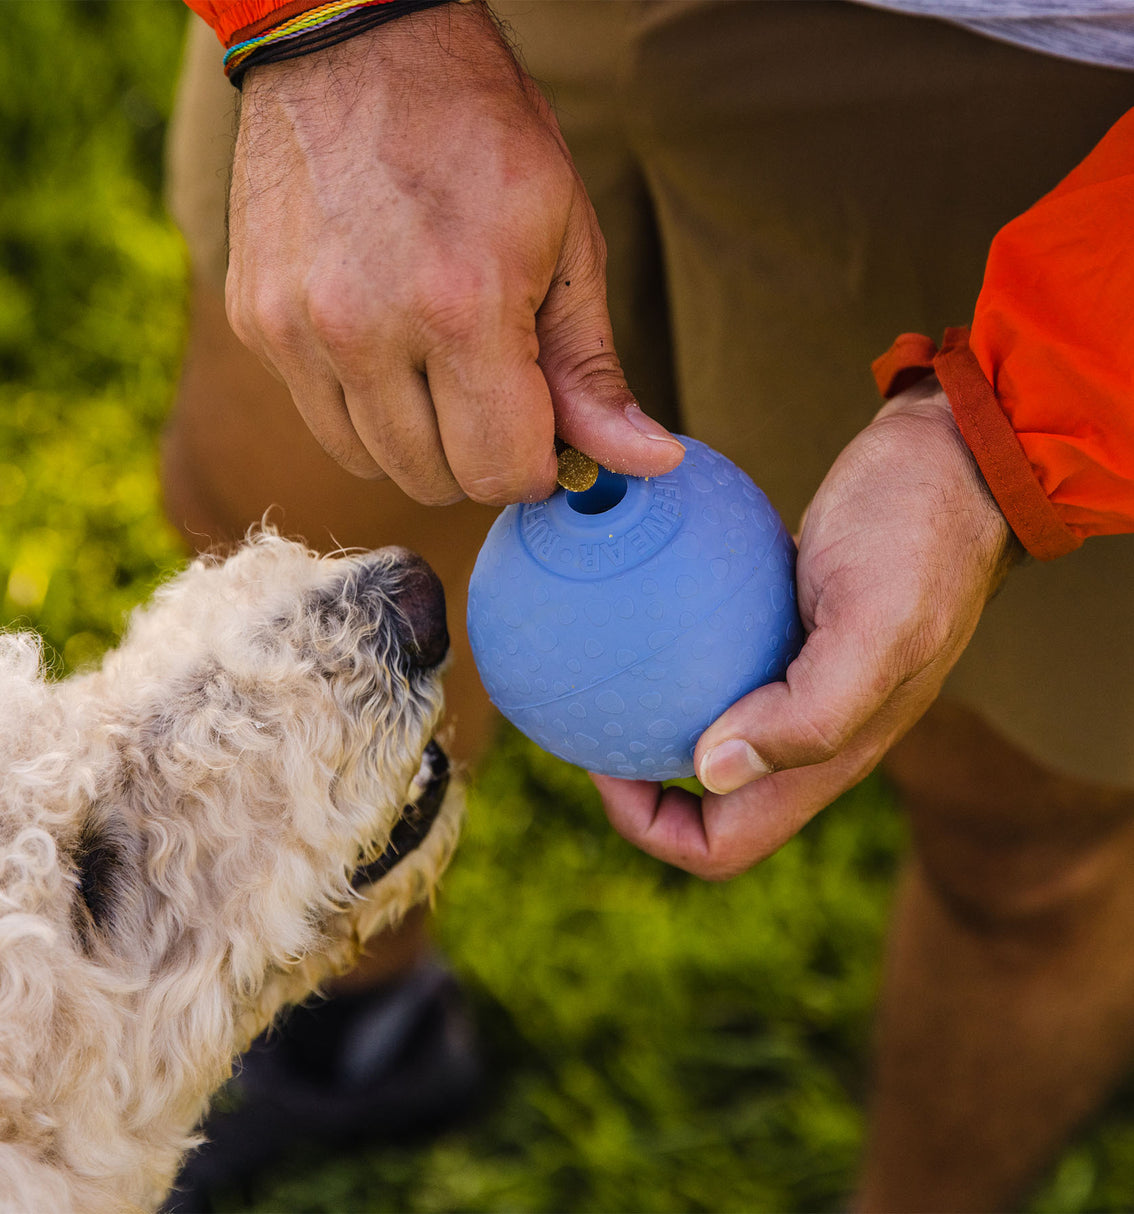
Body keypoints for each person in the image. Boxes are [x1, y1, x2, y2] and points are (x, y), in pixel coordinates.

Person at [162, 1, 1134, 1208]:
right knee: (293, 543)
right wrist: (320, 26)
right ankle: (364, 1029)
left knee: (1025, 833)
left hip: (1034, 80)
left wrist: (1015, 424)